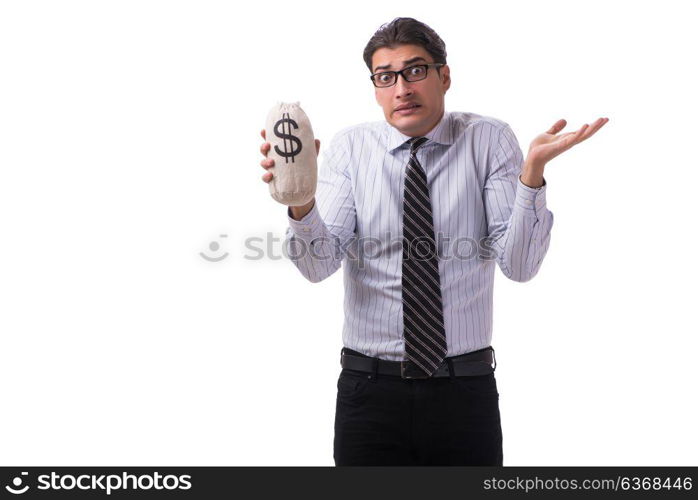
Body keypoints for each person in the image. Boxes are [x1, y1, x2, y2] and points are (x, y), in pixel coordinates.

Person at [259, 17, 608, 466]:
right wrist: (302, 202)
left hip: (463, 391)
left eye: (415, 70)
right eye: (386, 77)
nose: (401, 88)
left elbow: (520, 266)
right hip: (369, 393)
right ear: (376, 88)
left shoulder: (488, 140)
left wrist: (532, 175)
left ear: (445, 76)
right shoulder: (349, 149)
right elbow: (317, 266)